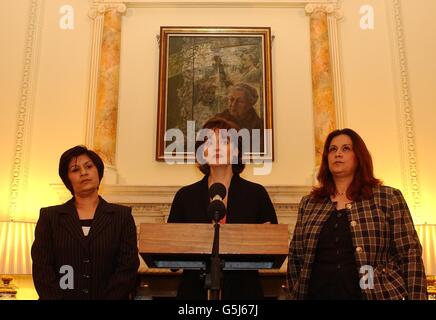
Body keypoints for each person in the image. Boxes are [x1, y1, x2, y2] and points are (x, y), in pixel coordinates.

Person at [287, 128, 427, 300]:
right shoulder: (309, 203)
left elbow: (410, 255)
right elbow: (295, 259)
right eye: (333, 149)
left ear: (359, 156)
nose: (338, 153)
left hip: (375, 295)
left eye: (346, 148)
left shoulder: (387, 198)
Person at [167, 116, 277, 299]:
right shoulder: (185, 196)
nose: (216, 147)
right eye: (209, 141)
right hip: (194, 292)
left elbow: (272, 248)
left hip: (244, 291)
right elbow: (171, 255)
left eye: (225, 141)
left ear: (236, 150)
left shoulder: (256, 194)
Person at [31, 146, 139, 300]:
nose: (83, 172)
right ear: (67, 178)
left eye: (89, 166)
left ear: (98, 171)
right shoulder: (50, 217)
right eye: (75, 170)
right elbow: (42, 269)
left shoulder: (122, 216)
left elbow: (127, 269)